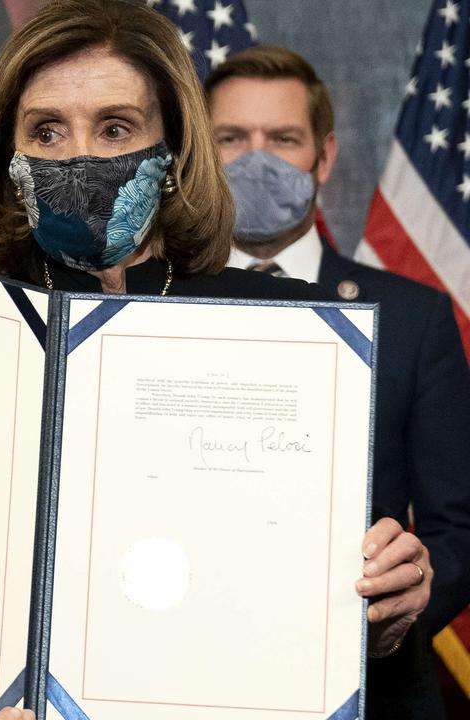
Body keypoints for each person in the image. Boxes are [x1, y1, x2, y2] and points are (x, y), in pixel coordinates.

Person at [0, 3, 430, 717]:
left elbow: (337, 591)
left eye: (116, 126)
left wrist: (386, 601)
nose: (81, 155)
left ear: (174, 151)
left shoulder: (283, 326)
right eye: (46, 130)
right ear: (8, 157)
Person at [206, 44, 470, 718]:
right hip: (187, 681)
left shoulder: (414, 316)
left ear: (323, 157)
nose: (255, 159)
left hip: (373, 692)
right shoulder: (146, 305)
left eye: (282, 139)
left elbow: (459, 527)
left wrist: (393, 612)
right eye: (230, 138)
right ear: (195, 156)